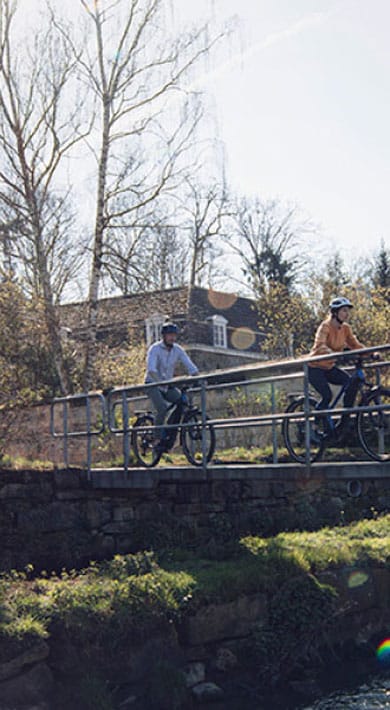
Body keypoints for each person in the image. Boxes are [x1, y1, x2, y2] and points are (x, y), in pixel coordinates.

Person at [308, 297, 365, 434]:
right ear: (335, 312)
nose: (347, 314)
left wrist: (371, 353)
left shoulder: (345, 328)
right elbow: (320, 345)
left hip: (329, 367)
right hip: (315, 367)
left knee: (350, 382)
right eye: (344, 311)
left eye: (348, 311)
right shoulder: (325, 326)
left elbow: (355, 345)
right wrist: (334, 354)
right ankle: (315, 424)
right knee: (327, 395)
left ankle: (344, 419)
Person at [145, 322, 199, 448]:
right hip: (152, 383)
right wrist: (161, 383)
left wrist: (199, 377)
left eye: (174, 335)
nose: (172, 338)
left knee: (181, 402)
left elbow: (190, 365)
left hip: (167, 384)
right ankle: (157, 438)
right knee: (162, 408)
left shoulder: (177, 350)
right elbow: (151, 369)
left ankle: (170, 431)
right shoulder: (155, 349)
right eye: (169, 335)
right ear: (163, 336)